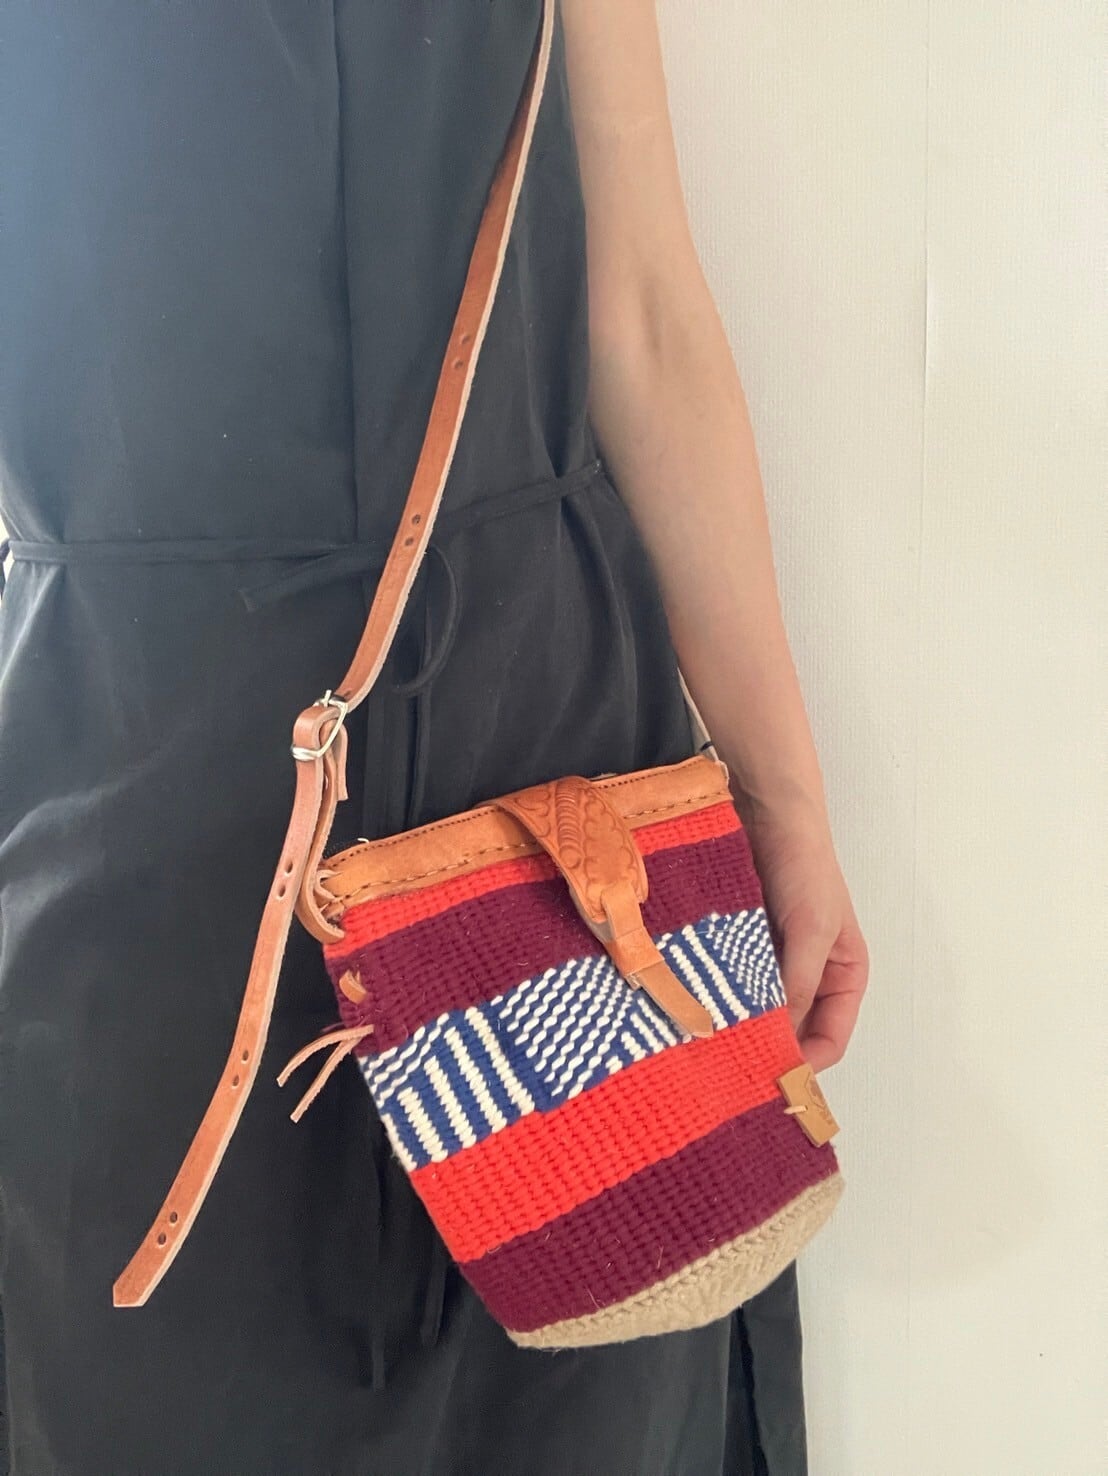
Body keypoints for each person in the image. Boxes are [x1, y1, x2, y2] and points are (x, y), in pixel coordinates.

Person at [0, 2, 869, 1473]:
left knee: (593, 1378)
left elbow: (643, 316)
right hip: (140, 800)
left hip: (558, 797)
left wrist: (784, 797)